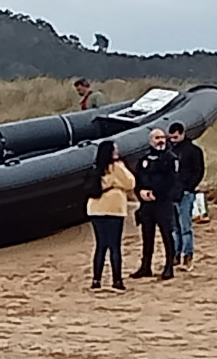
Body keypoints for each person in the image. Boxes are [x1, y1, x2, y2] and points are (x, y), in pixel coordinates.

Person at [85, 140, 136, 291]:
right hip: (113, 210)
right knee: (115, 246)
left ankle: (96, 279)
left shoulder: (95, 168)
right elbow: (130, 183)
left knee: (100, 245)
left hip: (95, 209)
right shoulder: (116, 167)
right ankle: (117, 279)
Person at [131, 128, 180, 281]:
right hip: (146, 204)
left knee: (166, 234)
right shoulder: (144, 159)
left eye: (162, 137)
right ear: (151, 140)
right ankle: (145, 266)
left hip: (163, 202)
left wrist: (155, 193)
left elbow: (171, 181)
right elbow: (138, 178)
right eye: (157, 137)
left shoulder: (170, 158)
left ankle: (169, 266)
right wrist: (140, 192)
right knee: (147, 235)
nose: (161, 140)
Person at [168, 122, 205, 270]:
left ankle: (187, 255)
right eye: (171, 137)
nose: (173, 140)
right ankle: (176, 254)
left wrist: (189, 187)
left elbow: (199, 171)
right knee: (175, 227)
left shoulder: (193, 151)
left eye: (176, 137)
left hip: (185, 193)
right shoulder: (169, 150)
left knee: (185, 227)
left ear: (182, 134)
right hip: (172, 194)